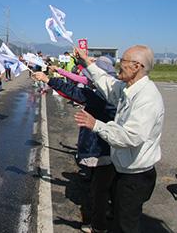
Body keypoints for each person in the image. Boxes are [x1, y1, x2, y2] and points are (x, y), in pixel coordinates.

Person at [74, 45, 164, 233]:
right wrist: (86, 61)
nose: (118, 65)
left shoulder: (147, 98)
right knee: (120, 218)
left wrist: (96, 125)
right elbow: (106, 83)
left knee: (126, 226)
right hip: (123, 168)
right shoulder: (128, 88)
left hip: (135, 177)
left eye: (123, 61)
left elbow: (130, 137)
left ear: (136, 66)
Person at [34, 57, 118, 233]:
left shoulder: (101, 98)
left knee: (99, 189)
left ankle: (99, 226)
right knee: (112, 185)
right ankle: (112, 212)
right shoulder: (116, 94)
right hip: (114, 148)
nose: (88, 80)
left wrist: (48, 79)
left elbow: (73, 91)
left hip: (102, 149)